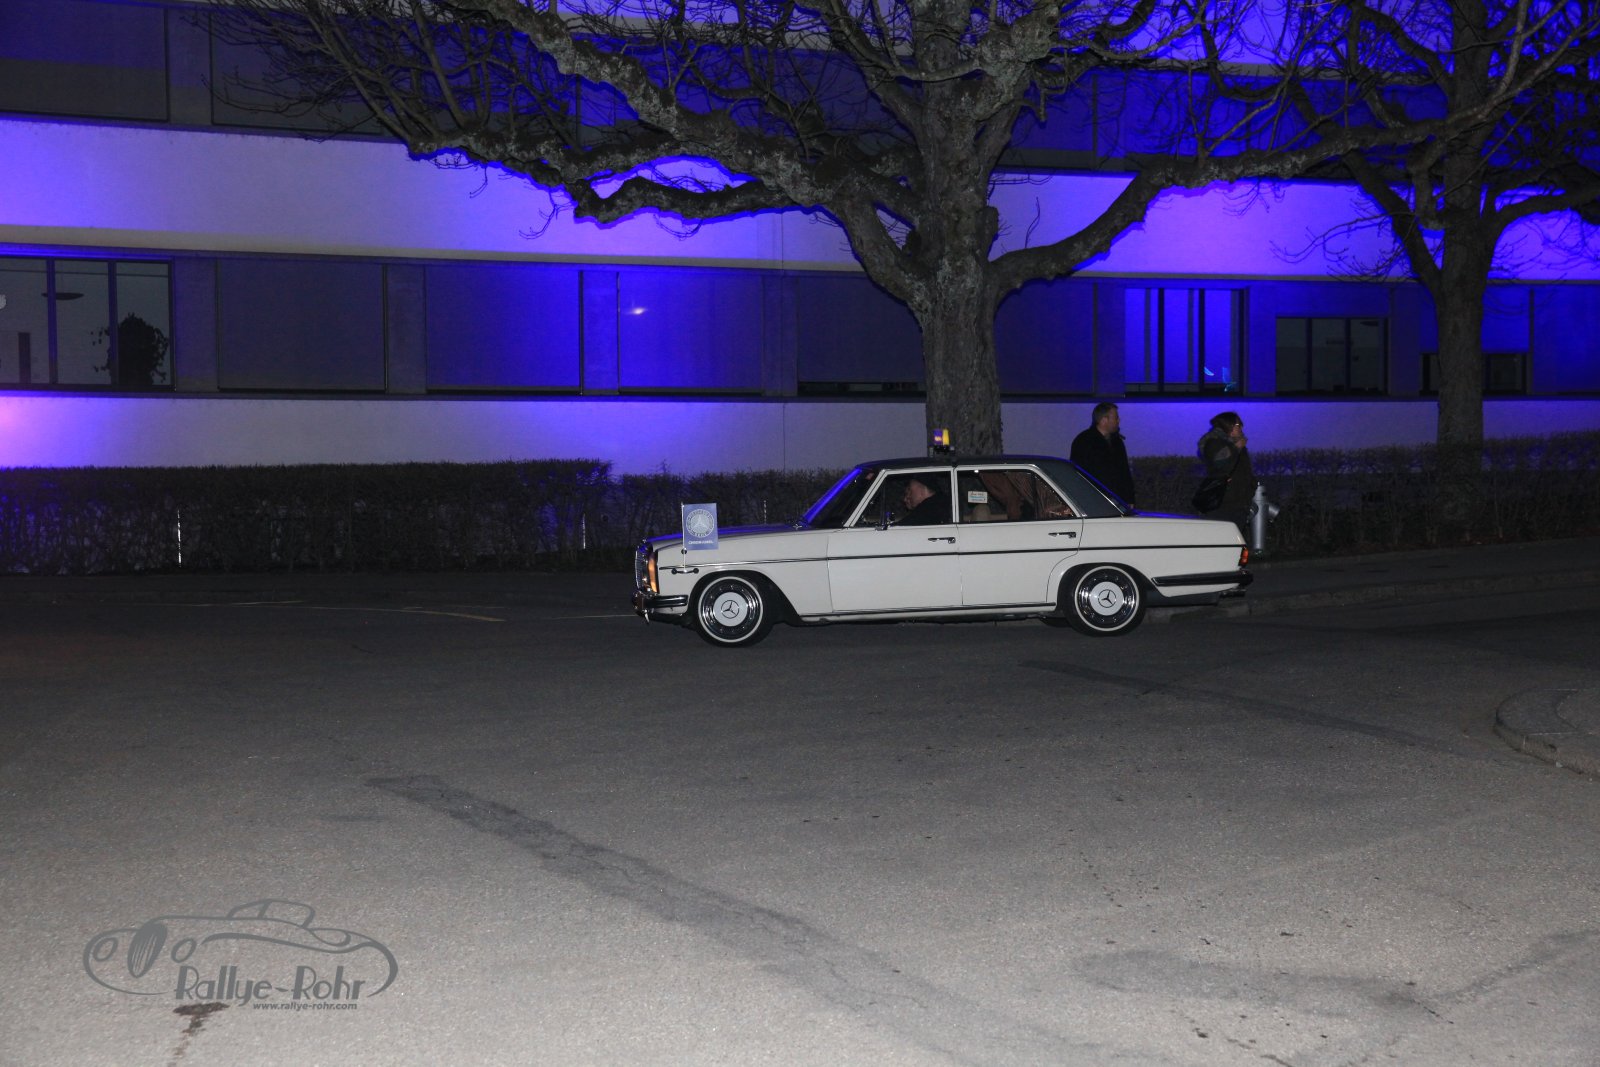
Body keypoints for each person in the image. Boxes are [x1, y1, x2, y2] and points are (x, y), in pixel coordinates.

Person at [1197, 411, 1255, 536]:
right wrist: (1236, 447)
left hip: (1239, 504)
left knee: (1234, 540)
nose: (1241, 428)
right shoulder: (1213, 442)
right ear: (1229, 426)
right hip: (1222, 504)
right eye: (1238, 425)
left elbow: (1244, 471)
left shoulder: (1237, 445)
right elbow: (1220, 465)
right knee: (1219, 538)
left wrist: (1251, 489)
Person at [1070, 401, 1136, 506]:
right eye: (1116, 417)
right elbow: (1077, 473)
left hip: (1117, 500)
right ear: (1104, 420)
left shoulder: (1117, 442)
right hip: (1093, 500)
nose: (1119, 420)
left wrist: (1129, 499)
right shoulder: (1084, 441)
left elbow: (1124, 472)